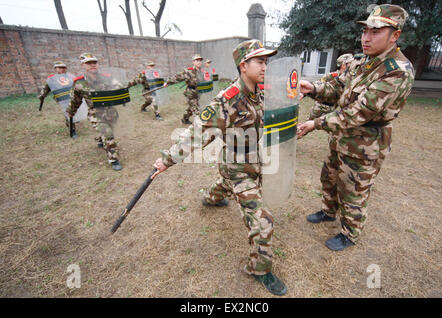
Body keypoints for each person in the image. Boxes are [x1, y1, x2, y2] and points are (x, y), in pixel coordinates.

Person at [152, 40, 287, 296]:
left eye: (266, 62)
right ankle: (260, 269)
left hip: (253, 163)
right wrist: (166, 160)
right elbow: (195, 135)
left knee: (222, 186)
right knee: (264, 222)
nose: (265, 67)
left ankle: (212, 197)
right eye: (260, 62)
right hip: (237, 169)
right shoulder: (226, 101)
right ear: (244, 65)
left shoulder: (259, 92)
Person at [297, 4, 415, 251]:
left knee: (353, 190)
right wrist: (314, 89)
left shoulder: (397, 72)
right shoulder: (360, 62)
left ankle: (349, 233)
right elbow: (339, 88)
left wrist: (316, 123)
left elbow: (358, 112)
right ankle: (328, 211)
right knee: (329, 176)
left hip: (366, 142)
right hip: (341, 136)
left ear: (394, 36)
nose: (366, 38)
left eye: (375, 32)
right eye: (365, 31)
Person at [67, 53, 123, 171]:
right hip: (95, 114)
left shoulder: (107, 77)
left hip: (111, 112)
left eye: (94, 62)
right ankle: (114, 159)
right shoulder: (79, 83)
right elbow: (75, 100)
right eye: (89, 63)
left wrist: (118, 88)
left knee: (108, 131)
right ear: (83, 65)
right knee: (108, 134)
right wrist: (71, 112)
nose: (92, 65)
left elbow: (119, 87)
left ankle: (99, 139)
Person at [37, 61, 80, 138]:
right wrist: (42, 96)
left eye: (63, 67)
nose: (62, 69)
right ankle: (72, 130)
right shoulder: (52, 79)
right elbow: (46, 89)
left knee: (75, 111)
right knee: (68, 113)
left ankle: (72, 120)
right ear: (56, 69)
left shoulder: (71, 76)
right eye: (60, 68)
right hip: (62, 99)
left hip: (73, 97)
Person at [308, 53, 354, 120]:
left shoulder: (350, 77)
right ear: (343, 65)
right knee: (310, 121)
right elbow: (319, 84)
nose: (353, 65)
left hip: (333, 106)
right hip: (322, 105)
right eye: (350, 63)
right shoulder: (332, 75)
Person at [164, 54, 204, 125]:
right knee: (196, 111)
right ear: (193, 62)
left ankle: (184, 119)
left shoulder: (202, 71)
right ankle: (199, 126)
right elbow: (178, 77)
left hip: (198, 93)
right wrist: (168, 82)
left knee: (191, 108)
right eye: (197, 60)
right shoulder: (188, 71)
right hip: (190, 93)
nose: (199, 62)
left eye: (200, 60)